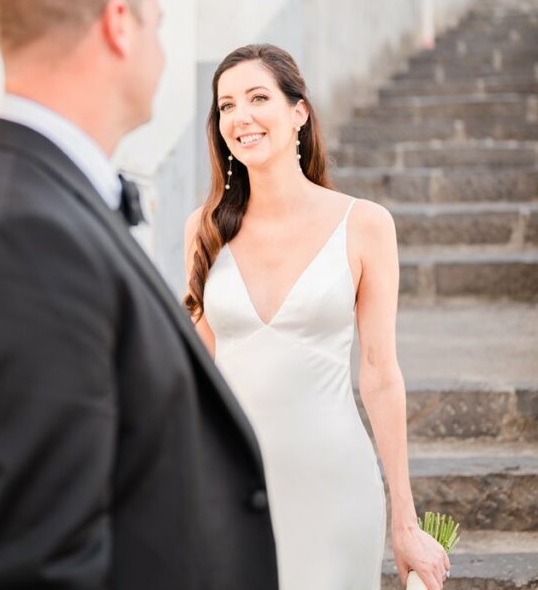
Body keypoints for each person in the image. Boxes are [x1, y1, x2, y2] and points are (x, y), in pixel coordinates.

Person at [0, 0, 278, 590]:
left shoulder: (41, 199)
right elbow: (42, 566)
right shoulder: (23, 236)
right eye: (158, 25)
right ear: (119, 25)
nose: (165, 55)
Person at [183, 44, 451, 590]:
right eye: (226, 105)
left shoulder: (364, 225)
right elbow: (194, 375)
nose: (241, 116)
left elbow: (379, 374)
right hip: (230, 488)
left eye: (258, 98)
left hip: (333, 487)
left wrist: (405, 519)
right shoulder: (205, 228)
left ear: (298, 111)